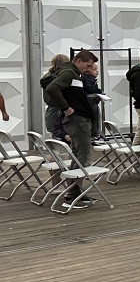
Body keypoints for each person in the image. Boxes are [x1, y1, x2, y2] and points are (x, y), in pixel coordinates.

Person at [44, 51, 99, 204]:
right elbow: (52, 88)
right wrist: (66, 108)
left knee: (77, 154)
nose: (89, 69)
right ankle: (73, 194)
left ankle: (74, 191)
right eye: (88, 65)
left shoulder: (73, 74)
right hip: (78, 121)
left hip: (78, 120)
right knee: (83, 156)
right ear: (79, 61)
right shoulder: (69, 73)